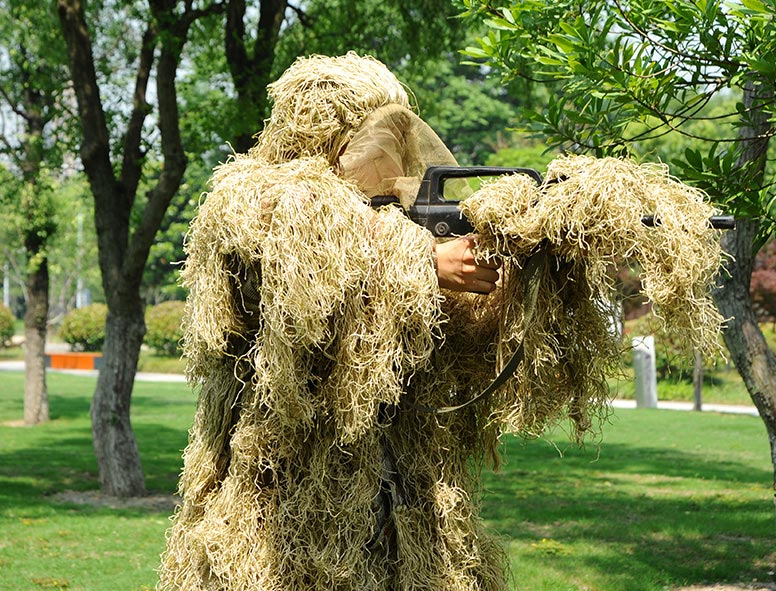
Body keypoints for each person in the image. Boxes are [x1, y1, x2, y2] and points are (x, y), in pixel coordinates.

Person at [158, 52, 516, 591]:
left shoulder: (391, 218)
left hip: (401, 492)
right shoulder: (253, 196)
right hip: (278, 501)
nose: (384, 154)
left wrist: (513, 274)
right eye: (368, 137)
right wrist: (422, 261)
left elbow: (445, 352)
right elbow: (304, 266)